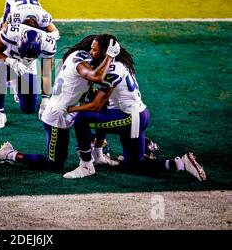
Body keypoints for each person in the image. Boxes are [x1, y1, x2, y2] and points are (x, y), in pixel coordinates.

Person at [64, 45, 207, 181]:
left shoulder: (112, 69)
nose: (91, 52)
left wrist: (71, 108)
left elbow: (95, 106)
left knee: (81, 118)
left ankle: (86, 165)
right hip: (138, 115)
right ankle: (181, 164)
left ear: (106, 52)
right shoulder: (121, 63)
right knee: (134, 165)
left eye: (95, 49)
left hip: (131, 119)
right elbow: (103, 104)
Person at [0, 34, 121, 170]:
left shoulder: (79, 55)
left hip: (67, 111)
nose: (92, 53)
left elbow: (83, 87)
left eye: (95, 50)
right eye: (92, 49)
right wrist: (110, 57)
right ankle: (10, 154)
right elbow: (97, 77)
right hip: (57, 117)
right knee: (55, 164)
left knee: (86, 122)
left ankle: (91, 148)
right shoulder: (81, 61)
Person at [0, 17, 57, 129]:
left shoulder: (48, 44)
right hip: (8, 60)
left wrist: (45, 99)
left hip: (28, 67)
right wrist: (11, 61)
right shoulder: (10, 32)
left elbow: (46, 73)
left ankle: (16, 83)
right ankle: (0, 113)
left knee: (28, 108)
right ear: (19, 41)